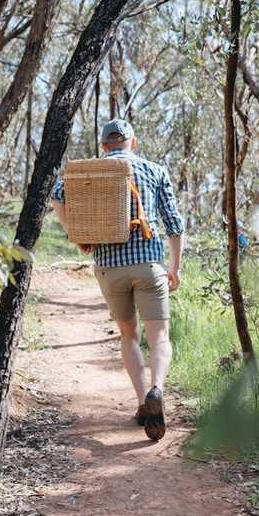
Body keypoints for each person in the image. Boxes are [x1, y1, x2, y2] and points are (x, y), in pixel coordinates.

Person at [50, 119, 185, 441]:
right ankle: (157, 390)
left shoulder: (88, 171)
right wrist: (175, 267)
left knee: (128, 335)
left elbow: (57, 198)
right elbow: (174, 224)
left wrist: (76, 232)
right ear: (132, 143)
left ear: (104, 146)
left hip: (110, 267)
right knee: (160, 336)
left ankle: (142, 403)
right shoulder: (154, 171)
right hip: (149, 265)